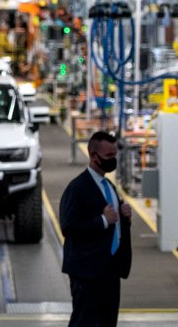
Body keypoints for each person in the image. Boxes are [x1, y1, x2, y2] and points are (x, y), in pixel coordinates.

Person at [59, 131, 132, 327]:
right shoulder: (77, 188)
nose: (113, 160)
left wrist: (125, 217)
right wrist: (102, 220)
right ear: (93, 156)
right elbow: (68, 226)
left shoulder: (108, 186)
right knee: (84, 322)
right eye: (108, 157)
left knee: (108, 321)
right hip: (87, 270)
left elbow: (115, 225)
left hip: (110, 268)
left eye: (114, 155)